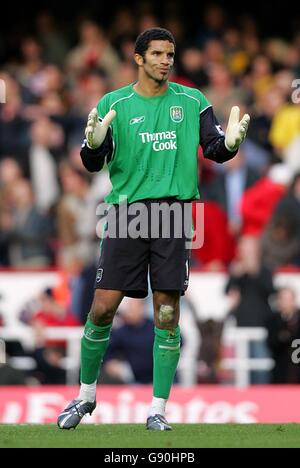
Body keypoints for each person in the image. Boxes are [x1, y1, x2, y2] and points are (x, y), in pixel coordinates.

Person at [57, 27, 250, 431]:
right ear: (139, 58)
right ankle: (85, 397)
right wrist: (92, 145)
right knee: (102, 307)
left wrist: (229, 145)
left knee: (166, 312)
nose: (166, 60)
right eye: (158, 54)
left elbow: (213, 148)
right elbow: (94, 162)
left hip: (173, 214)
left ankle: (157, 408)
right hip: (126, 215)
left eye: (170, 54)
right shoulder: (115, 103)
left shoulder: (192, 100)